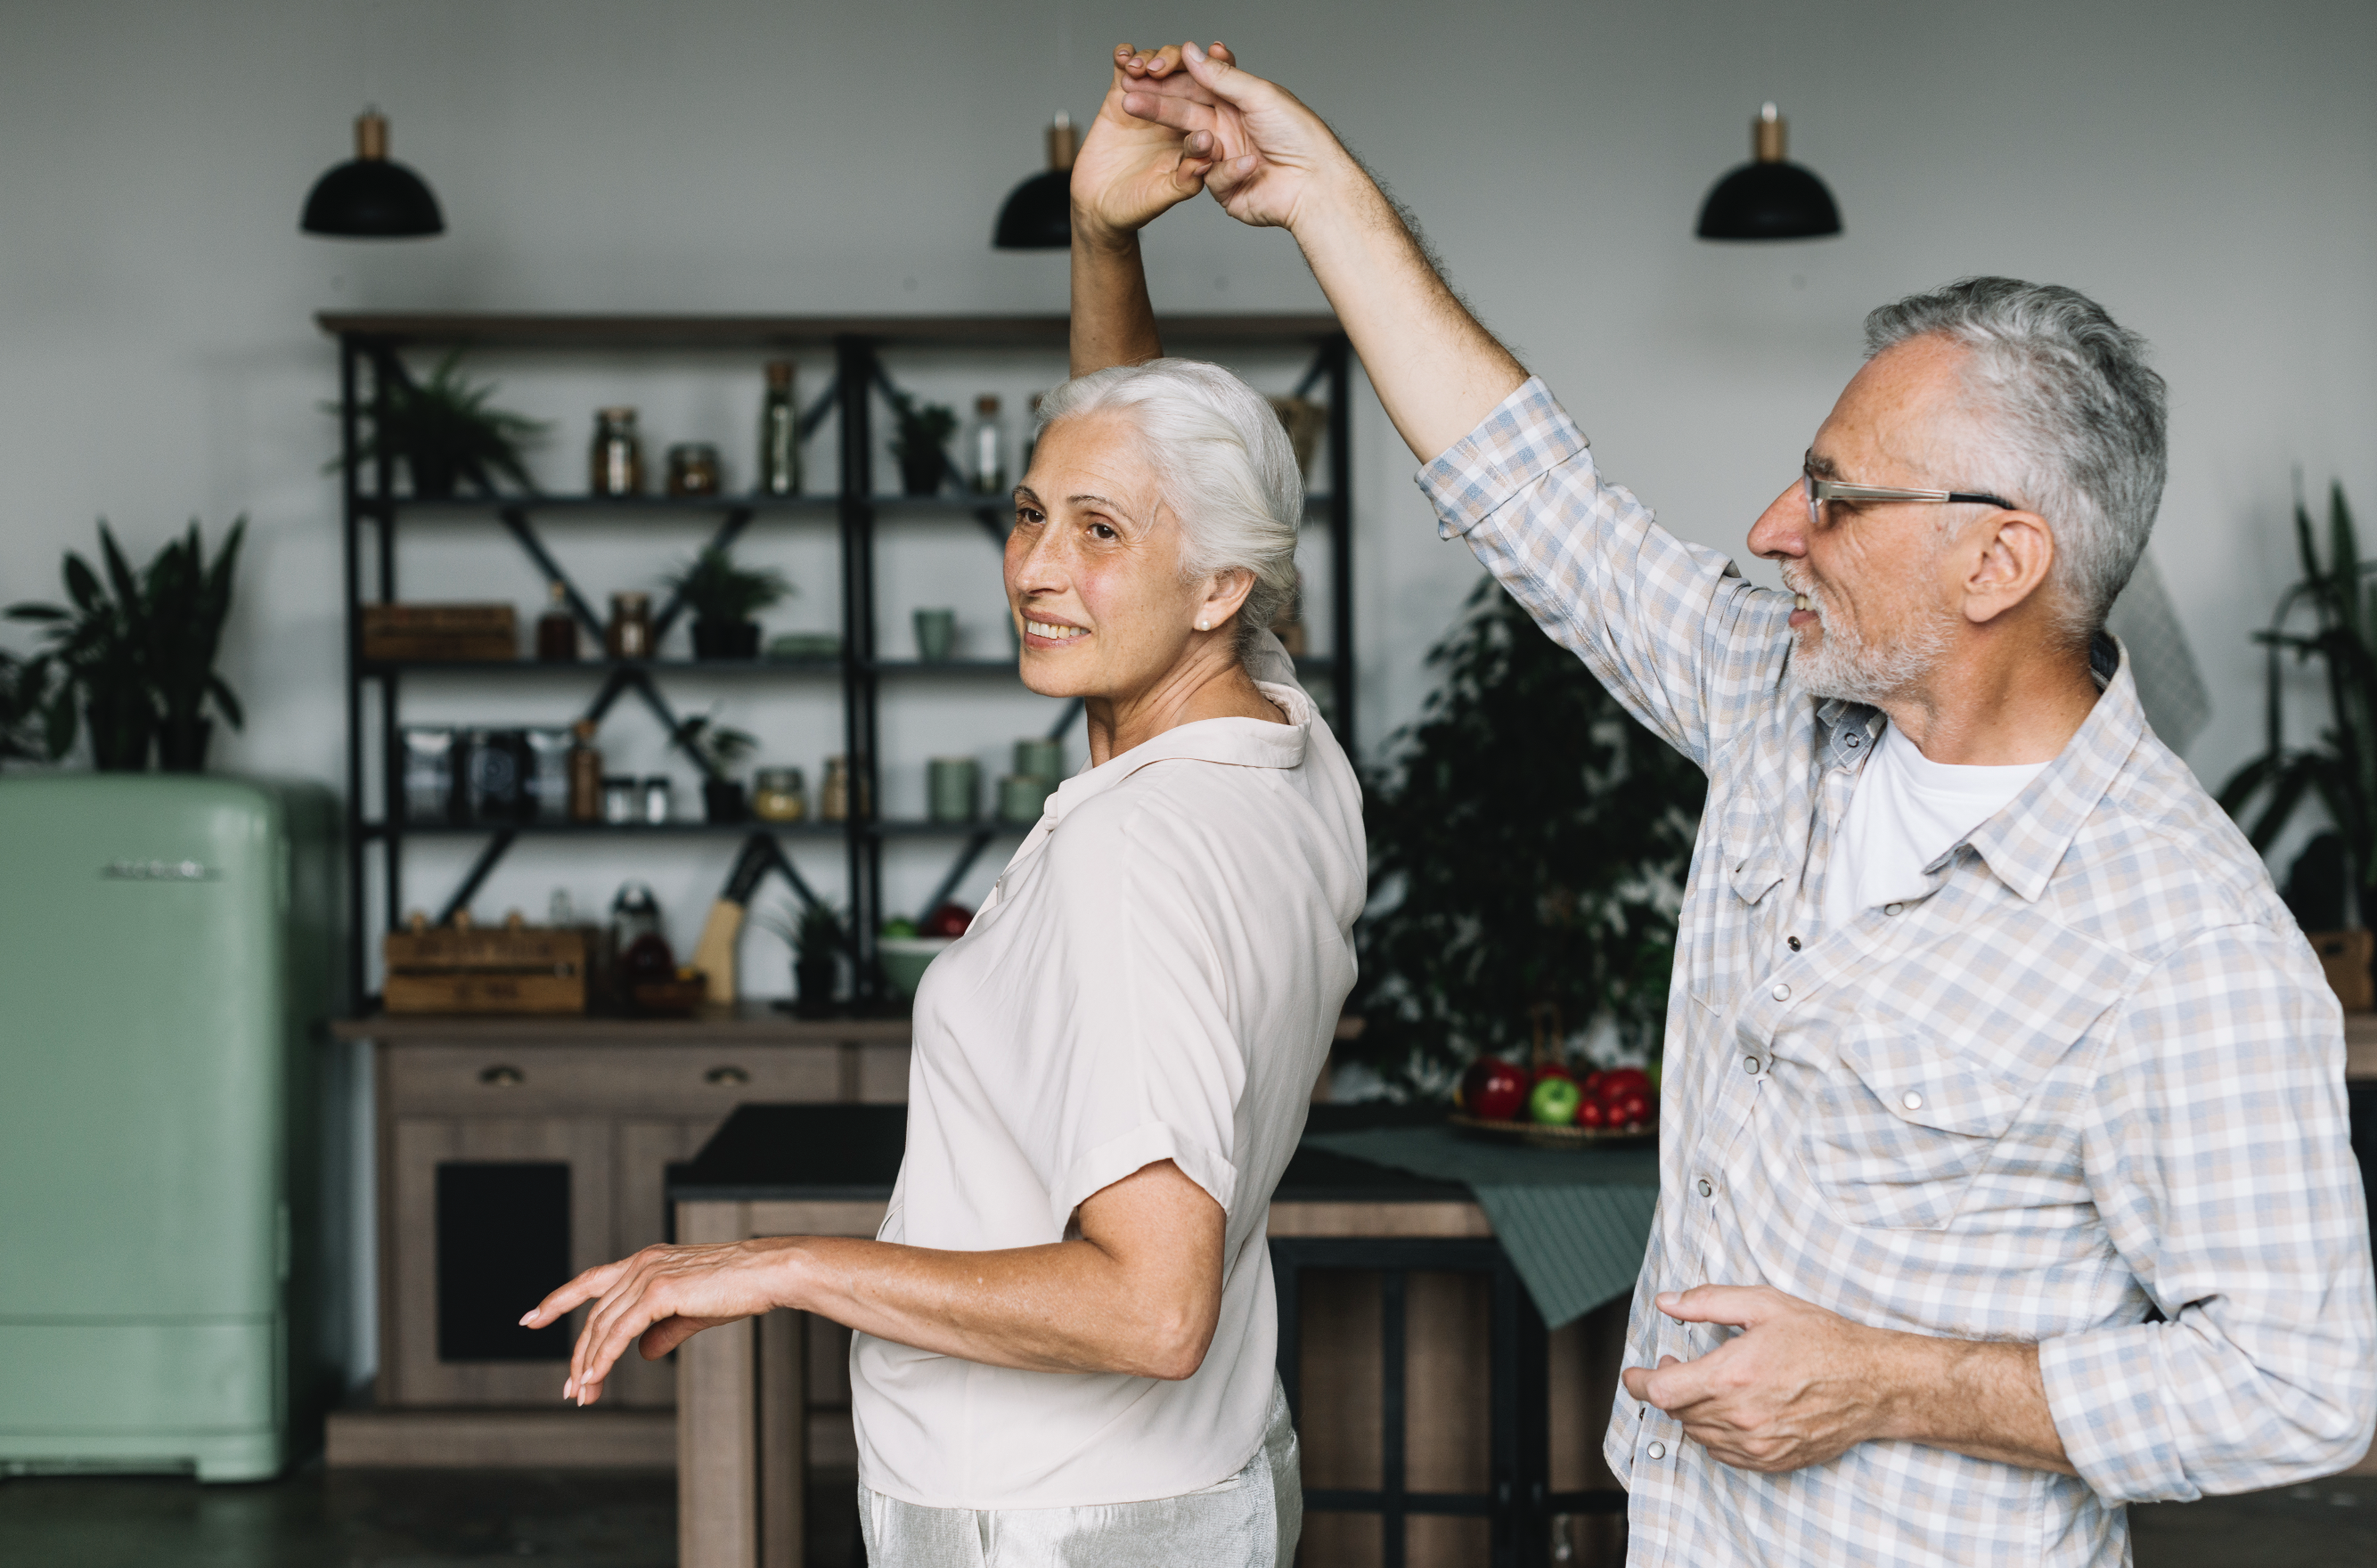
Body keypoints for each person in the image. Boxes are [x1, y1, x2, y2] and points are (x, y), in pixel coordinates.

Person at [1071, 37, 2377, 1568]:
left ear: (1999, 562)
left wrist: (1890, 1382)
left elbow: (2302, 1382)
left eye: (1833, 494)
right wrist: (1316, 194)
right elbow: (1531, 489)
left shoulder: (2183, 937)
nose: (1772, 530)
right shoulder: (1784, 696)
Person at [524, 351, 1363, 1565]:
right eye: (1029, 512)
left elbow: (1152, 1308)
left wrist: (780, 1264)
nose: (1034, 568)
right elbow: (1158, 441)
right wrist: (1099, 230)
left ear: (1222, 585)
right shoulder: (1292, 754)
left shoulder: (1130, 855)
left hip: (1051, 1520)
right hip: (1201, 1478)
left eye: (1098, 531)